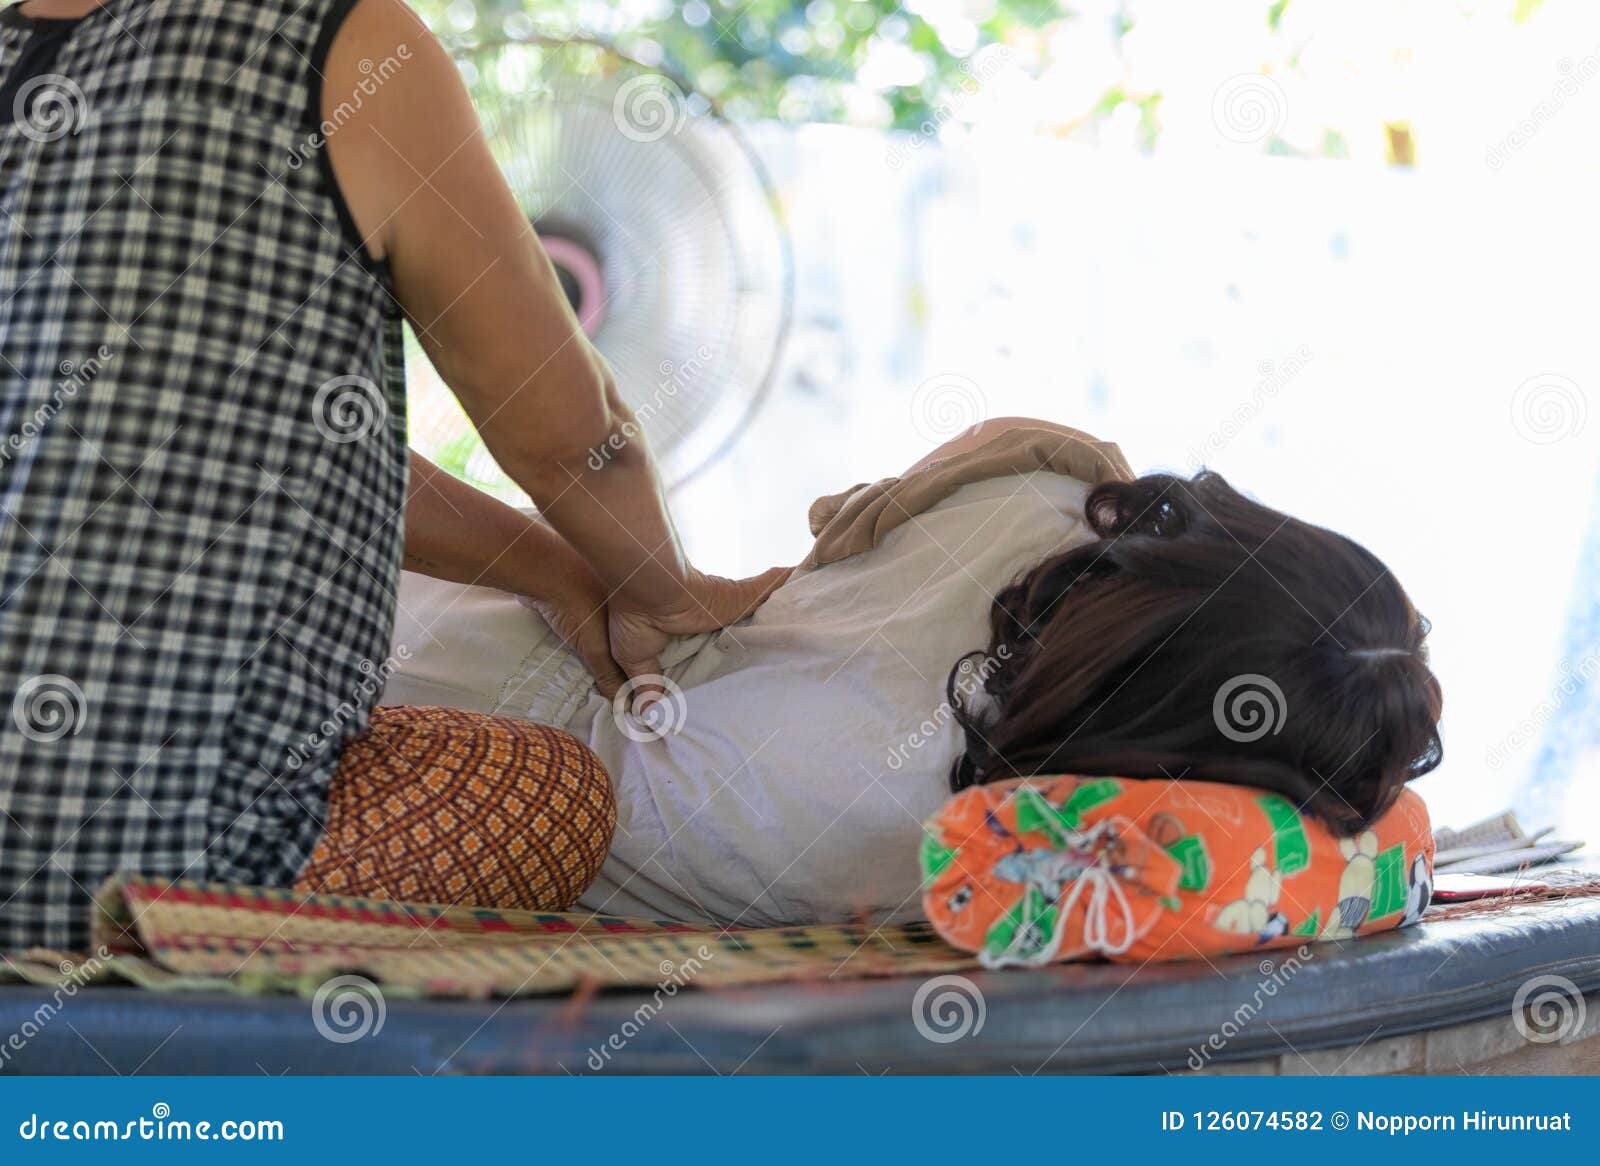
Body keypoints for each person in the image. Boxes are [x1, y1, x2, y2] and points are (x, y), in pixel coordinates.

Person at [0, 0, 778, 948]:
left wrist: (557, 570)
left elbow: (275, 441)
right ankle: (150, 938)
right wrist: (662, 590)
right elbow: (569, 431)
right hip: (99, 863)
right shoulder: (341, 43)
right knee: (547, 793)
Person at [380, 417, 1445, 928]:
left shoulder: (1041, 501)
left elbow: (1050, 446)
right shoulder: (933, 836)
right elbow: (1356, 856)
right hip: (412, 732)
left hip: (418, 583)